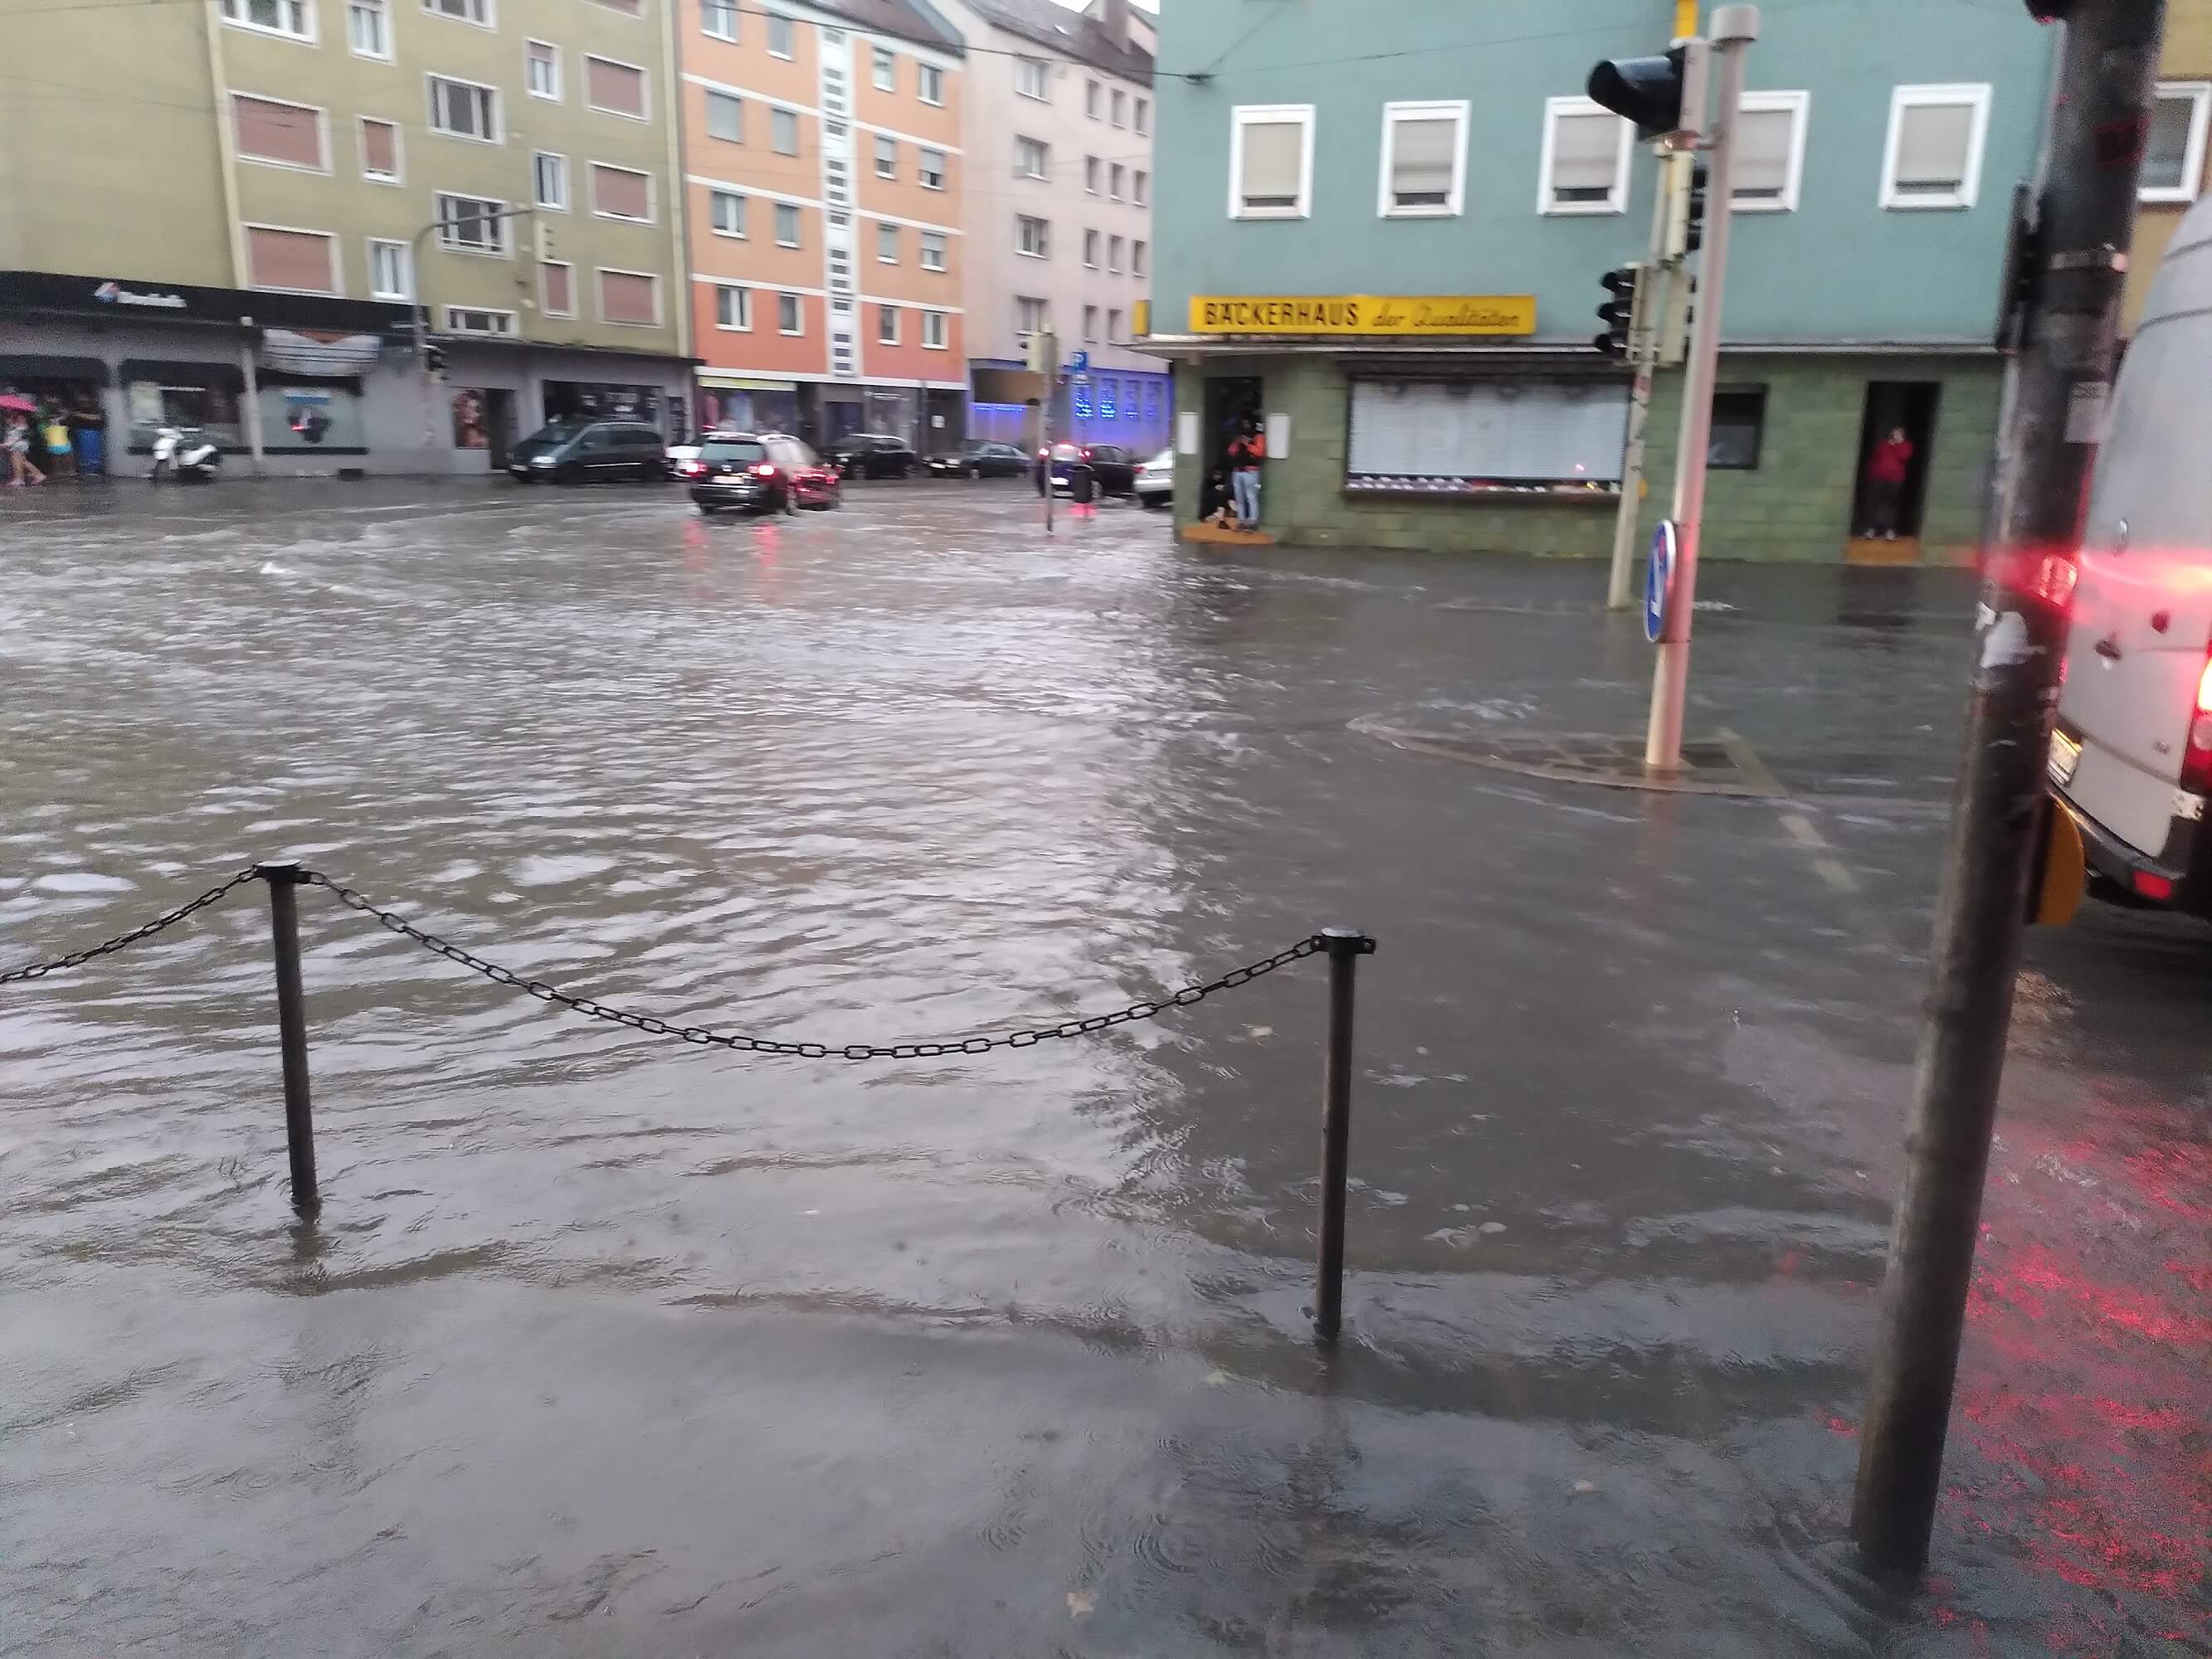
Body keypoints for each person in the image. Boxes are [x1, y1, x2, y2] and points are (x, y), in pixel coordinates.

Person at [1863, 426, 1914, 539]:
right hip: (1878, 479)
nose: (1896, 436)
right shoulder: (1883, 445)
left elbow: (1904, 457)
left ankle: (1889, 531)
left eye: (1899, 434)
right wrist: (1871, 474)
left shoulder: (1906, 446)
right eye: (1895, 434)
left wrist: (1896, 446)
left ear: (1903, 436)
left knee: (1891, 505)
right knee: (1874, 504)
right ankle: (1871, 530)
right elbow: (1874, 459)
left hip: (1895, 480)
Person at [1225, 418, 1265, 531]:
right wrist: (1237, 442)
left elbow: (1260, 452)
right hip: (1238, 471)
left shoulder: (1258, 436)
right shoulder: (1239, 436)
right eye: (1243, 423)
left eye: (1247, 423)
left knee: (1251, 497)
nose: (1245, 425)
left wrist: (1248, 444)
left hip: (1251, 471)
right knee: (1239, 498)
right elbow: (1231, 452)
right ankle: (1241, 521)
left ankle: (1253, 522)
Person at [5, 414, 44, 487]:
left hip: (18, 445)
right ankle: (20, 478)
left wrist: (7, 444)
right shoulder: (18, 425)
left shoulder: (21, 425)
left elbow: (16, 437)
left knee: (20, 462)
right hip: (19, 445)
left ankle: (37, 475)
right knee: (20, 462)